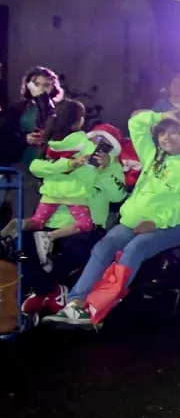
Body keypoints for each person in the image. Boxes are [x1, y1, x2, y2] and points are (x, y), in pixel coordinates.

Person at [43, 110, 180, 327]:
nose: (167, 137)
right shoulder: (153, 156)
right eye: (163, 133)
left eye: (175, 132)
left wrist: (156, 222)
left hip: (175, 225)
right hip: (136, 221)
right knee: (105, 246)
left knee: (135, 248)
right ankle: (75, 302)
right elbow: (136, 123)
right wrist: (162, 115)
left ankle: (94, 310)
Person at [19, 125, 128, 318]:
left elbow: (118, 196)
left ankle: (44, 290)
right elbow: (37, 168)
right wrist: (69, 165)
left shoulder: (113, 166)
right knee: (24, 243)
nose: (98, 146)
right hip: (52, 222)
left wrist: (103, 171)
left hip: (88, 226)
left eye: (106, 145)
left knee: (76, 249)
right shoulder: (70, 155)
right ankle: (49, 290)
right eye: (96, 140)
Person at [9, 100, 97, 268]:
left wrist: (60, 167)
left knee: (36, 221)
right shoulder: (82, 141)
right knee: (85, 224)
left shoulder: (51, 142)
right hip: (72, 194)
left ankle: (18, 223)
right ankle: (50, 238)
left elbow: (36, 166)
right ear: (78, 121)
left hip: (50, 193)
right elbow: (93, 167)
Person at [0, 66, 62, 218]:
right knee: (21, 209)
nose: (41, 89)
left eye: (46, 85)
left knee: (38, 213)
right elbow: (4, 134)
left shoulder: (59, 109)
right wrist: (24, 139)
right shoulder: (19, 108)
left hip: (46, 166)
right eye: (37, 84)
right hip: (20, 163)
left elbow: (53, 126)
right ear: (29, 85)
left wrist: (42, 99)